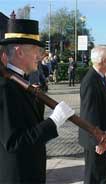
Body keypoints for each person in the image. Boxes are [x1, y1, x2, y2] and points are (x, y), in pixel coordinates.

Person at [0, 19, 75, 184]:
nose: (40, 56)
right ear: (19, 52)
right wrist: (54, 121)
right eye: (36, 50)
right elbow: (14, 142)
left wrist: (37, 101)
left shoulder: (21, 84)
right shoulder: (6, 88)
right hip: (18, 177)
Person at [79, 46, 106, 184]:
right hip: (95, 138)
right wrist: (98, 140)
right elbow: (90, 114)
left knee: (101, 174)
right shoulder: (91, 81)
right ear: (103, 61)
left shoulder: (100, 78)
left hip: (103, 135)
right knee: (93, 176)